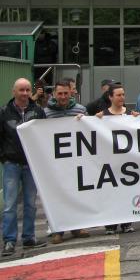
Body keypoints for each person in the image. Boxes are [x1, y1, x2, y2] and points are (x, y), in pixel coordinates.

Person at [1, 78, 47, 257]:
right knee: (10, 204)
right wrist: (4, 158)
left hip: (30, 165)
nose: (25, 93)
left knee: (30, 203)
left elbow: (44, 136)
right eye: (21, 90)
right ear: (14, 92)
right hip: (11, 164)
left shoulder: (38, 111)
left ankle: (29, 237)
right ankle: (9, 241)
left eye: (28, 90)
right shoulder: (4, 112)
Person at [44, 80, 91, 243]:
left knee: (77, 192)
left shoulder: (81, 110)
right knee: (56, 195)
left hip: (75, 161)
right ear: (54, 94)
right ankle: (58, 229)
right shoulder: (46, 113)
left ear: (71, 93)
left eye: (66, 93)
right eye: (60, 93)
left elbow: (90, 130)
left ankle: (78, 226)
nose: (63, 96)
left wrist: (85, 120)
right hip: (55, 163)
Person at [93, 84, 140, 234]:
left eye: (123, 95)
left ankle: (126, 223)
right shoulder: (102, 116)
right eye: (118, 95)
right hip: (110, 162)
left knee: (126, 192)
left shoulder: (130, 115)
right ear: (110, 97)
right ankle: (111, 225)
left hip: (127, 162)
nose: (122, 98)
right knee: (111, 194)